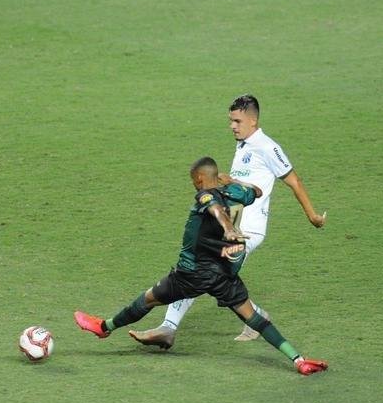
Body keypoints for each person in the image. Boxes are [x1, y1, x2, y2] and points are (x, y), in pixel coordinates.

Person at [73, 156, 328, 376]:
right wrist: (234, 182)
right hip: (223, 274)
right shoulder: (235, 192)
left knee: (148, 298)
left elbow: (214, 208)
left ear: (199, 178)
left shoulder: (205, 194)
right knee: (254, 317)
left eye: (193, 180)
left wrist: (227, 227)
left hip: (192, 273)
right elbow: (258, 192)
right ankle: (299, 360)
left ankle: (104, 327)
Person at [131, 94, 326, 348]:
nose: (232, 126)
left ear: (253, 121)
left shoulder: (267, 147)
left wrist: (312, 215)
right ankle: (251, 318)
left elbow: (294, 181)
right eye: (231, 120)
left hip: (248, 230)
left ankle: (169, 327)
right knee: (206, 274)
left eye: (237, 121)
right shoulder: (244, 144)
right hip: (231, 226)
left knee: (200, 272)